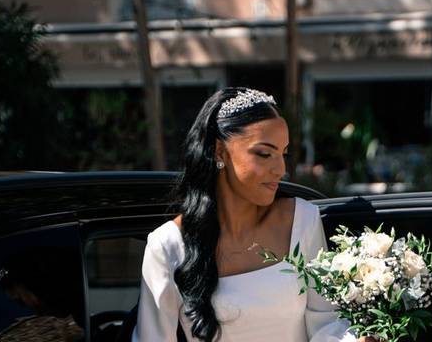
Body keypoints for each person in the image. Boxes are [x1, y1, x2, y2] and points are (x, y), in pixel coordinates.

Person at [133, 87, 373, 342]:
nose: (280, 169)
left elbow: (326, 322)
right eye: (264, 154)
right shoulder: (167, 246)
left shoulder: (302, 221)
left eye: (284, 154)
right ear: (220, 151)